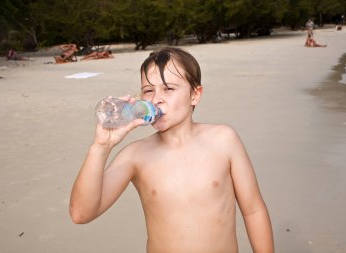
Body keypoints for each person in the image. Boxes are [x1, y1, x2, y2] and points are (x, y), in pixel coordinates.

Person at [70, 47, 274, 252]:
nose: (156, 98)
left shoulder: (223, 140)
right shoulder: (135, 156)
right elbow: (81, 213)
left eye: (168, 89)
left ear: (195, 95)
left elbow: (253, 211)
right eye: (149, 90)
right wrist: (101, 147)